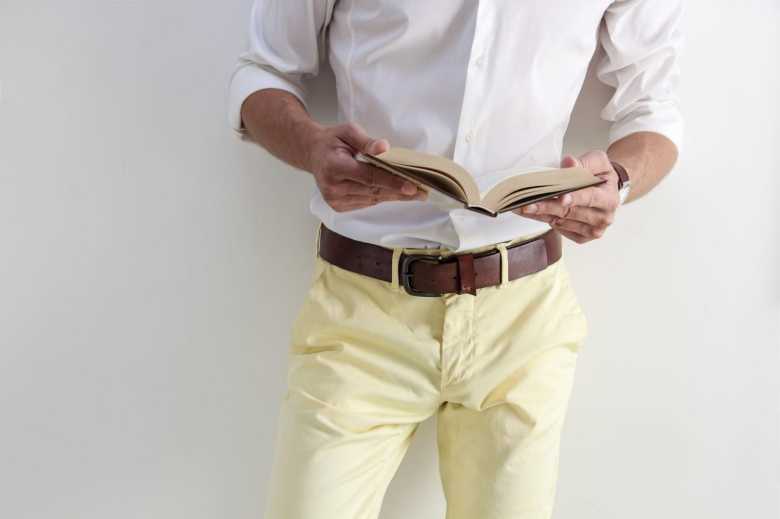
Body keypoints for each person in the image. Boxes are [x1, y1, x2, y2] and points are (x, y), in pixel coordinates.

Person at [228, 1, 683, 518]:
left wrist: (619, 182)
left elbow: (653, 109)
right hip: (361, 313)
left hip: (524, 320)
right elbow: (262, 72)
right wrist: (311, 147)